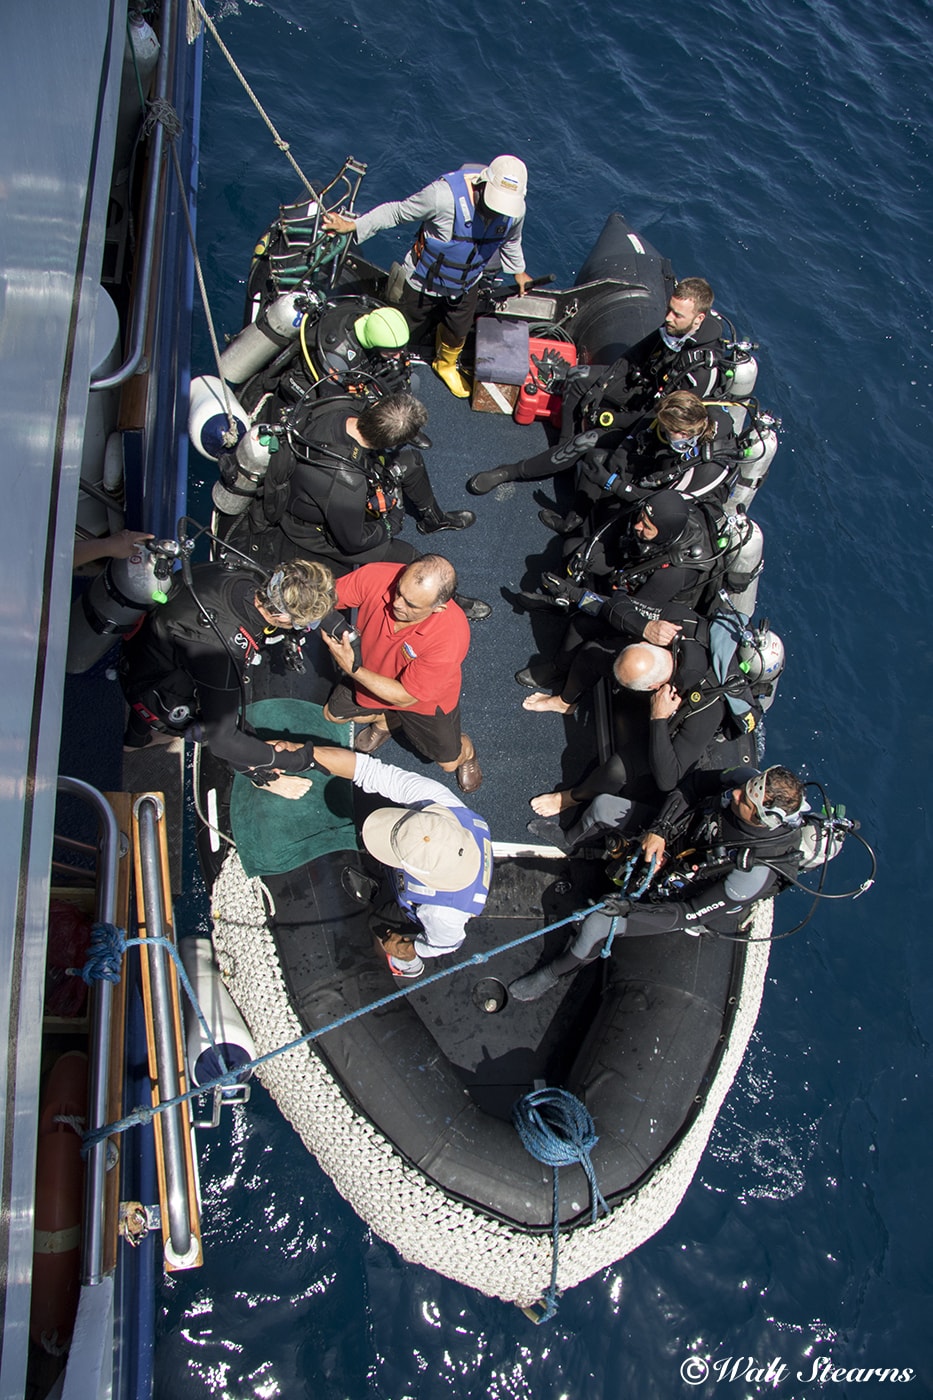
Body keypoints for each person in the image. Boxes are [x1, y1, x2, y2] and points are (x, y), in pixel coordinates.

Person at [510, 765, 808, 1001]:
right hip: (677, 837)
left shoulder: (753, 873)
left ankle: (553, 972)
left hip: (684, 890)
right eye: (743, 789)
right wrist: (661, 829)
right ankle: (570, 841)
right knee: (603, 807)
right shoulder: (743, 781)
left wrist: (630, 908)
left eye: (745, 800)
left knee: (599, 921)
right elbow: (692, 785)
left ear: (763, 818)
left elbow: (687, 913)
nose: (737, 794)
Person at [466, 278, 727, 494]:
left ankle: (512, 470)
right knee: (578, 376)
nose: (668, 317)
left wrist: (615, 418)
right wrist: (603, 384)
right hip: (640, 387)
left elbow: (658, 417)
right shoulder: (674, 327)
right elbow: (635, 355)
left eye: (677, 315)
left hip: (650, 418)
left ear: (698, 319)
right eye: (669, 309)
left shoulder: (699, 372)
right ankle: (562, 446)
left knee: (586, 441)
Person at [323, 157, 533, 398]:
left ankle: (445, 365)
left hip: (466, 284)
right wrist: (354, 225)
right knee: (401, 329)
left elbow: (511, 240)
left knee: (459, 330)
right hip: (421, 282)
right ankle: (382, 366)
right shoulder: (441, 197)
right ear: (483, 184)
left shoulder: (515, 212)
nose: (499, 212)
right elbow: (397, 212)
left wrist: (519, 271)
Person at [120, 558, 336, 786]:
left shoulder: (246, 573)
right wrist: (295, 760)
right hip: (148, 687)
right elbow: (224, 741)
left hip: (142, 642)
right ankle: (141, 738)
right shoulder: (222, 654)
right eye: (305, 625)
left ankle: (136, 739)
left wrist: (338, 626)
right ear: (282, 617)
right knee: (233, 729)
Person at [294, 745, 492, 979]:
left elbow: (446, 944)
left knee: (378, 923)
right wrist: (300, 754)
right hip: (424, 872)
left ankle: (408, 966)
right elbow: (371, 771)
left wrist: (408, 949)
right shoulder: (441, 803)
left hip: (417, 906)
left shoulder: (442, 915)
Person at [527, 632, 734, 831]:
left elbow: (668, 779)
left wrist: (658, 717)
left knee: (617, 769)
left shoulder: (707, 712)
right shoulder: (679, 632)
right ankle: (564, 702)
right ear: (647, 645)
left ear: (653, 686)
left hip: (669, 728)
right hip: (659, 679)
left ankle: (570, 798)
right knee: (593, 652)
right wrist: (646, 626)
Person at [320, 554, 482, 793]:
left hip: (422, 702)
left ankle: (466, 751)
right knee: (332, 715)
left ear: (438, 608)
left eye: (411, 605)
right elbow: (326, 598)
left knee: (448, 763)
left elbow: (406, 696)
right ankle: (386, 720)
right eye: (399, 591)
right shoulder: (378, 576)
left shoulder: (451, 637)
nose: (397, 603)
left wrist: (353, 668)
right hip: (372, 675)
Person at [258, 390, 475, 567]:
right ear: (387, 444)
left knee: (412, 462)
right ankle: (450, 598)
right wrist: (392, 521)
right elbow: (354, 541)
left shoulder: (341, 407)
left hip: (333, 478)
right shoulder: (347, 485)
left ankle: (433, 521)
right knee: (408, 556)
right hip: (312, 529)